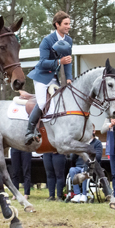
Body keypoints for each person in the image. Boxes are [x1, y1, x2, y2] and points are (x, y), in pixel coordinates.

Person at [24, 11, 73, 145]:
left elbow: (68, 61)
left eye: (69, 24)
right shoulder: (47, 41)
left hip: (53, 77)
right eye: (66, 24)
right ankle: (29, 131)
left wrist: (69, 78)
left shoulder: (69, 40)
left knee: (59, 102)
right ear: (57, 25)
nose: (68, 26)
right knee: (42, 103)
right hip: (41, 76)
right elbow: (43, 62)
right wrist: (58, 62)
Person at [68, 125, 103, 203]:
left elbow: (98, 157)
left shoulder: (97, 143)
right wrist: (75, 151)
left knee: (85, 170)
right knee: (72, 170)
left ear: (93, 132)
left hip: (91, 167)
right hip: (79, 166)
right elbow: (72, 158)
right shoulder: (80, 143)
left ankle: (84, 194)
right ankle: (77, 194)